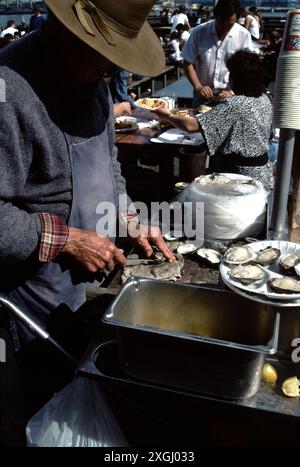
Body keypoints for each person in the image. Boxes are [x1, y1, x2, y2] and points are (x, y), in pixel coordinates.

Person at [0, 0, 175, 445]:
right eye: (105, 54)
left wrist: (130, 217)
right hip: (26, 301)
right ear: (70, 34)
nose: (112, 68)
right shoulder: (10, 90)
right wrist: (66, 240)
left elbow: (109, 165)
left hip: (84, 288)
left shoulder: (95, 85)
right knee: (44, 412)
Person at [152, 50, 274, 189]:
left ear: (237, 78)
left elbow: (191, 126)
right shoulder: (265, 99)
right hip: (262, 173)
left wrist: (167, 115)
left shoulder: (234, 105)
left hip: (238, 177)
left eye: (231, 75)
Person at [181, 0, 252, 107]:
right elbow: (187, 62)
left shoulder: (243, 35)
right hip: (202, 95)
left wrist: (232, 92)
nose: (224, 27)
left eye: (229, 24)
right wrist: (198, 86)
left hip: (230, 97)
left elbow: (246, 68)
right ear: (215, 16)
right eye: (221, 22)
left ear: (236, 19)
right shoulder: (199, 32)